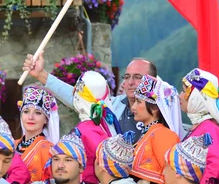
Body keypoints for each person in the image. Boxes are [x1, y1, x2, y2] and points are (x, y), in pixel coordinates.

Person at [22, 53, 158, 140]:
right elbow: (77, 97)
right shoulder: (111, 105)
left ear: (152, 80)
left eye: (137, 77)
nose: (130, 82)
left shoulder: (163, 114)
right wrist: (40, 74)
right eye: (127, 77)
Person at [179, 68, 219, 184]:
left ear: (197, 98)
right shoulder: (200, 125)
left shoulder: (210, 128)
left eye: (184, 91)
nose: (179, 95)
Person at [130, 75, 182, 184]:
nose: (133, 107)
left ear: (154, 109)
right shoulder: (149, 132)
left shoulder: (162, 134)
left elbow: (172, 175)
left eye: (138, 102)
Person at [15, 85, 59, 183]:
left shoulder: (49, 150)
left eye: (38, 113)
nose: (30, 117)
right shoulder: (11, 145)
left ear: (46, 120)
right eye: (26, 111)